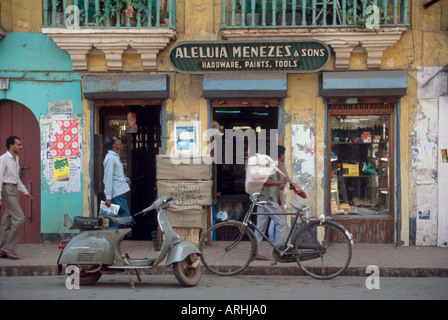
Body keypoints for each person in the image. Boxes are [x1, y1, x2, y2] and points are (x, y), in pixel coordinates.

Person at [0, 136, 34, 259]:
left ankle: (1, 249)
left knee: (6, 221)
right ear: (11, 145)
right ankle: (9, 248)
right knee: (19, 218)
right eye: (18, 144)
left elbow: (16, 178)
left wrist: (25, 191)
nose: (21, 147)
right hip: (6, 189)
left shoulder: (16, 159)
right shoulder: (3, 159)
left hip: (14, 189)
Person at [254, 145, 289, 261]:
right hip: (268, 200)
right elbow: (267, 181)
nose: (285, 156)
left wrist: (287, 184)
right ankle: (279, 251)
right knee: (281, 224)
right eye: (284, 154)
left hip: (265, 200)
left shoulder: (277, 166)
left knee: (260, 228)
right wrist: (281, 182)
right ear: (280, 155)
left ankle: (255, 253)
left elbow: (280, 184)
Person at [103, 134, 131, 227]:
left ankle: (113, 239)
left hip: (118, 191)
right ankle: (113, 238)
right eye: (117, 140)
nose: (119, 142)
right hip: (116, 193)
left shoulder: (114, 156)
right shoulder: (110, 158)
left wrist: (125, 179)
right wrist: (108, 197)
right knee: (124, 216)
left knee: (115, 218)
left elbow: (116, 174)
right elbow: (108, 178)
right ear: (113, 144)